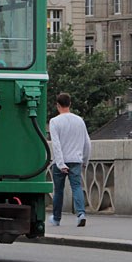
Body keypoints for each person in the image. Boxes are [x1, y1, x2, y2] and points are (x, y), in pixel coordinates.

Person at [48, 92, 92, 227]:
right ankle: (81, 214)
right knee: (77, 187)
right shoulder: (79, 120)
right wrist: (85, 160)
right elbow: (87, 142)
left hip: (61, 161)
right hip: (76, 159)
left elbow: (56, 144)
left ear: (57, 105)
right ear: (70, 104)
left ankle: (56, 218)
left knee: (59, 191)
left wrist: (61, 163)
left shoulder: (54, 121)